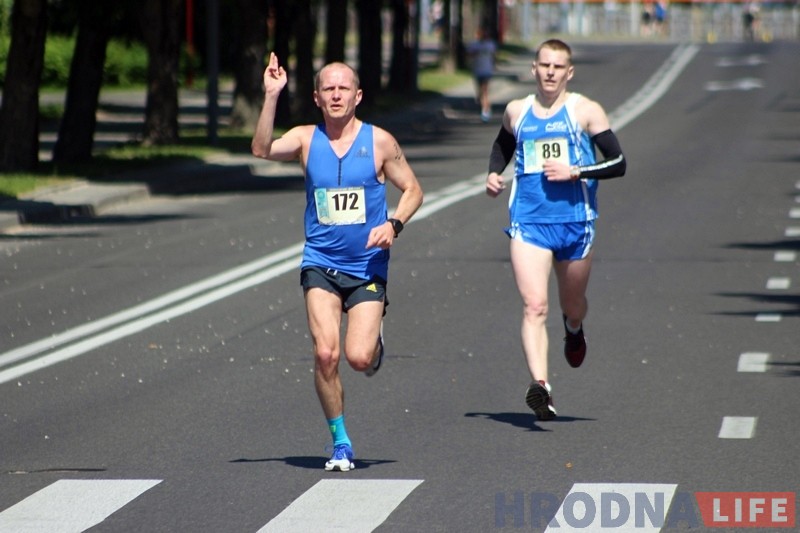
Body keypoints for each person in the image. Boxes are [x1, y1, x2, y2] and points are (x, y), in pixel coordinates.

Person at [251, 53, 424, 470]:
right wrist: (272, 96)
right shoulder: (306, 139)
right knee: (326, 355)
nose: (336, 94)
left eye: (343, 87)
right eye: (328, 88)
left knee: (358, 358)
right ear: (316, 96)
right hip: (320, 263)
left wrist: (394, 224)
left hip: (367, 267)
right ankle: (340, 441)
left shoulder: (379, 141)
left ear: (357, 95)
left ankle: (375, 338)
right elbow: (260, 149)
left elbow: (414, 190)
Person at [484, 40, 626, 421]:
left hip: (576, 225)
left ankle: (574, 328)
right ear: (534, 69)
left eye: (557, 66)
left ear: (569, 72)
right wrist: (494, 174)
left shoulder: (584, 111)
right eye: (544, 65)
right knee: (534, 305)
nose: (550, 72)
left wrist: (575, 171)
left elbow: (618, 161)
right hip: (529, 224)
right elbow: (502, 145)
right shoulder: (517, 111)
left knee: (572, 303)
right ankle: (541, 386)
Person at [466, 27, 497, 122]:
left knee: (485, 92)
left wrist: (493, 65)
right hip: (477, 71)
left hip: (487, 71)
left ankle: (485, 111)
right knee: (479, 93)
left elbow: (494, 56)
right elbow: (468, 55)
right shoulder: (474, 45)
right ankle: (484, 107)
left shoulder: (490, 45)